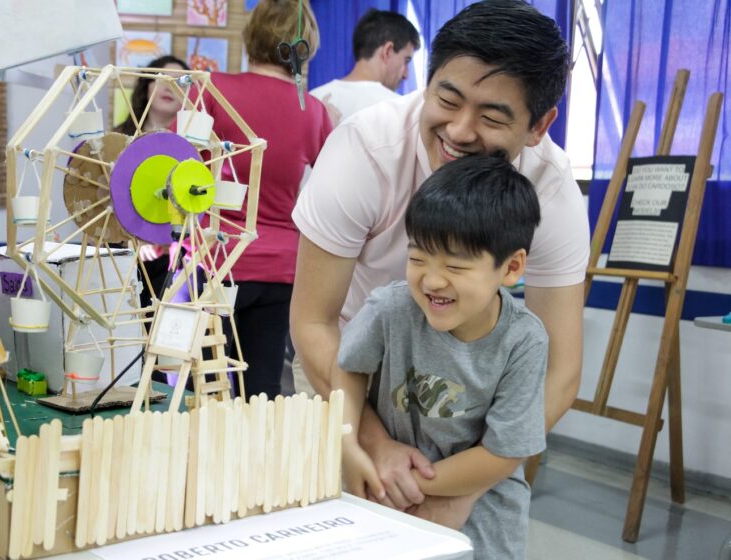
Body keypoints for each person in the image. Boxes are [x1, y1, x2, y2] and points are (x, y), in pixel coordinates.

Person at [290, 0, 589, 525]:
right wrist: (372, 441)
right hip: (342, 373)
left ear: (540, 124)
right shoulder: (366, 150)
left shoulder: (553, 190)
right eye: (447, 98)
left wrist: (471, 473)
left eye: (493, 116)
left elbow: (560, 372)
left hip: (466, 414)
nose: (460, 131)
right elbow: (313, 322)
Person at [337, 154, 547, 559]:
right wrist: (351, 446)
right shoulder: (391, 309)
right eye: (417, 259)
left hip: (480, 516)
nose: (431, 280)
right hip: (384, 494)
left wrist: (417, 483)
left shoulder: (524, 341)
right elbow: (347, 371)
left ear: (511, 267)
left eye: (455, 265)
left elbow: (505, 452)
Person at [199, 0, 332, 399]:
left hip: (217, 259)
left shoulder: (212, 91)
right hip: (281, 269)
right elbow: (329, 194)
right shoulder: (313, 110)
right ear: (304, 44)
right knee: (262, 390)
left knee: (206, 387)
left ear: (252, 33)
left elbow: (172, 165)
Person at [114, 55, 191, 316]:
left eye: (178, 82)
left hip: (170, 258)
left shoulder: (192, 149)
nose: (169, 87)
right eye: (161, 80)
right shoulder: (116, 140)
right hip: (120, 255)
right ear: (146, 87)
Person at [310, 9, 419, 126]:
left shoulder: (314, 99)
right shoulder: (400, 110)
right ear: (387, 51)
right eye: (406, 61)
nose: (406, 75)